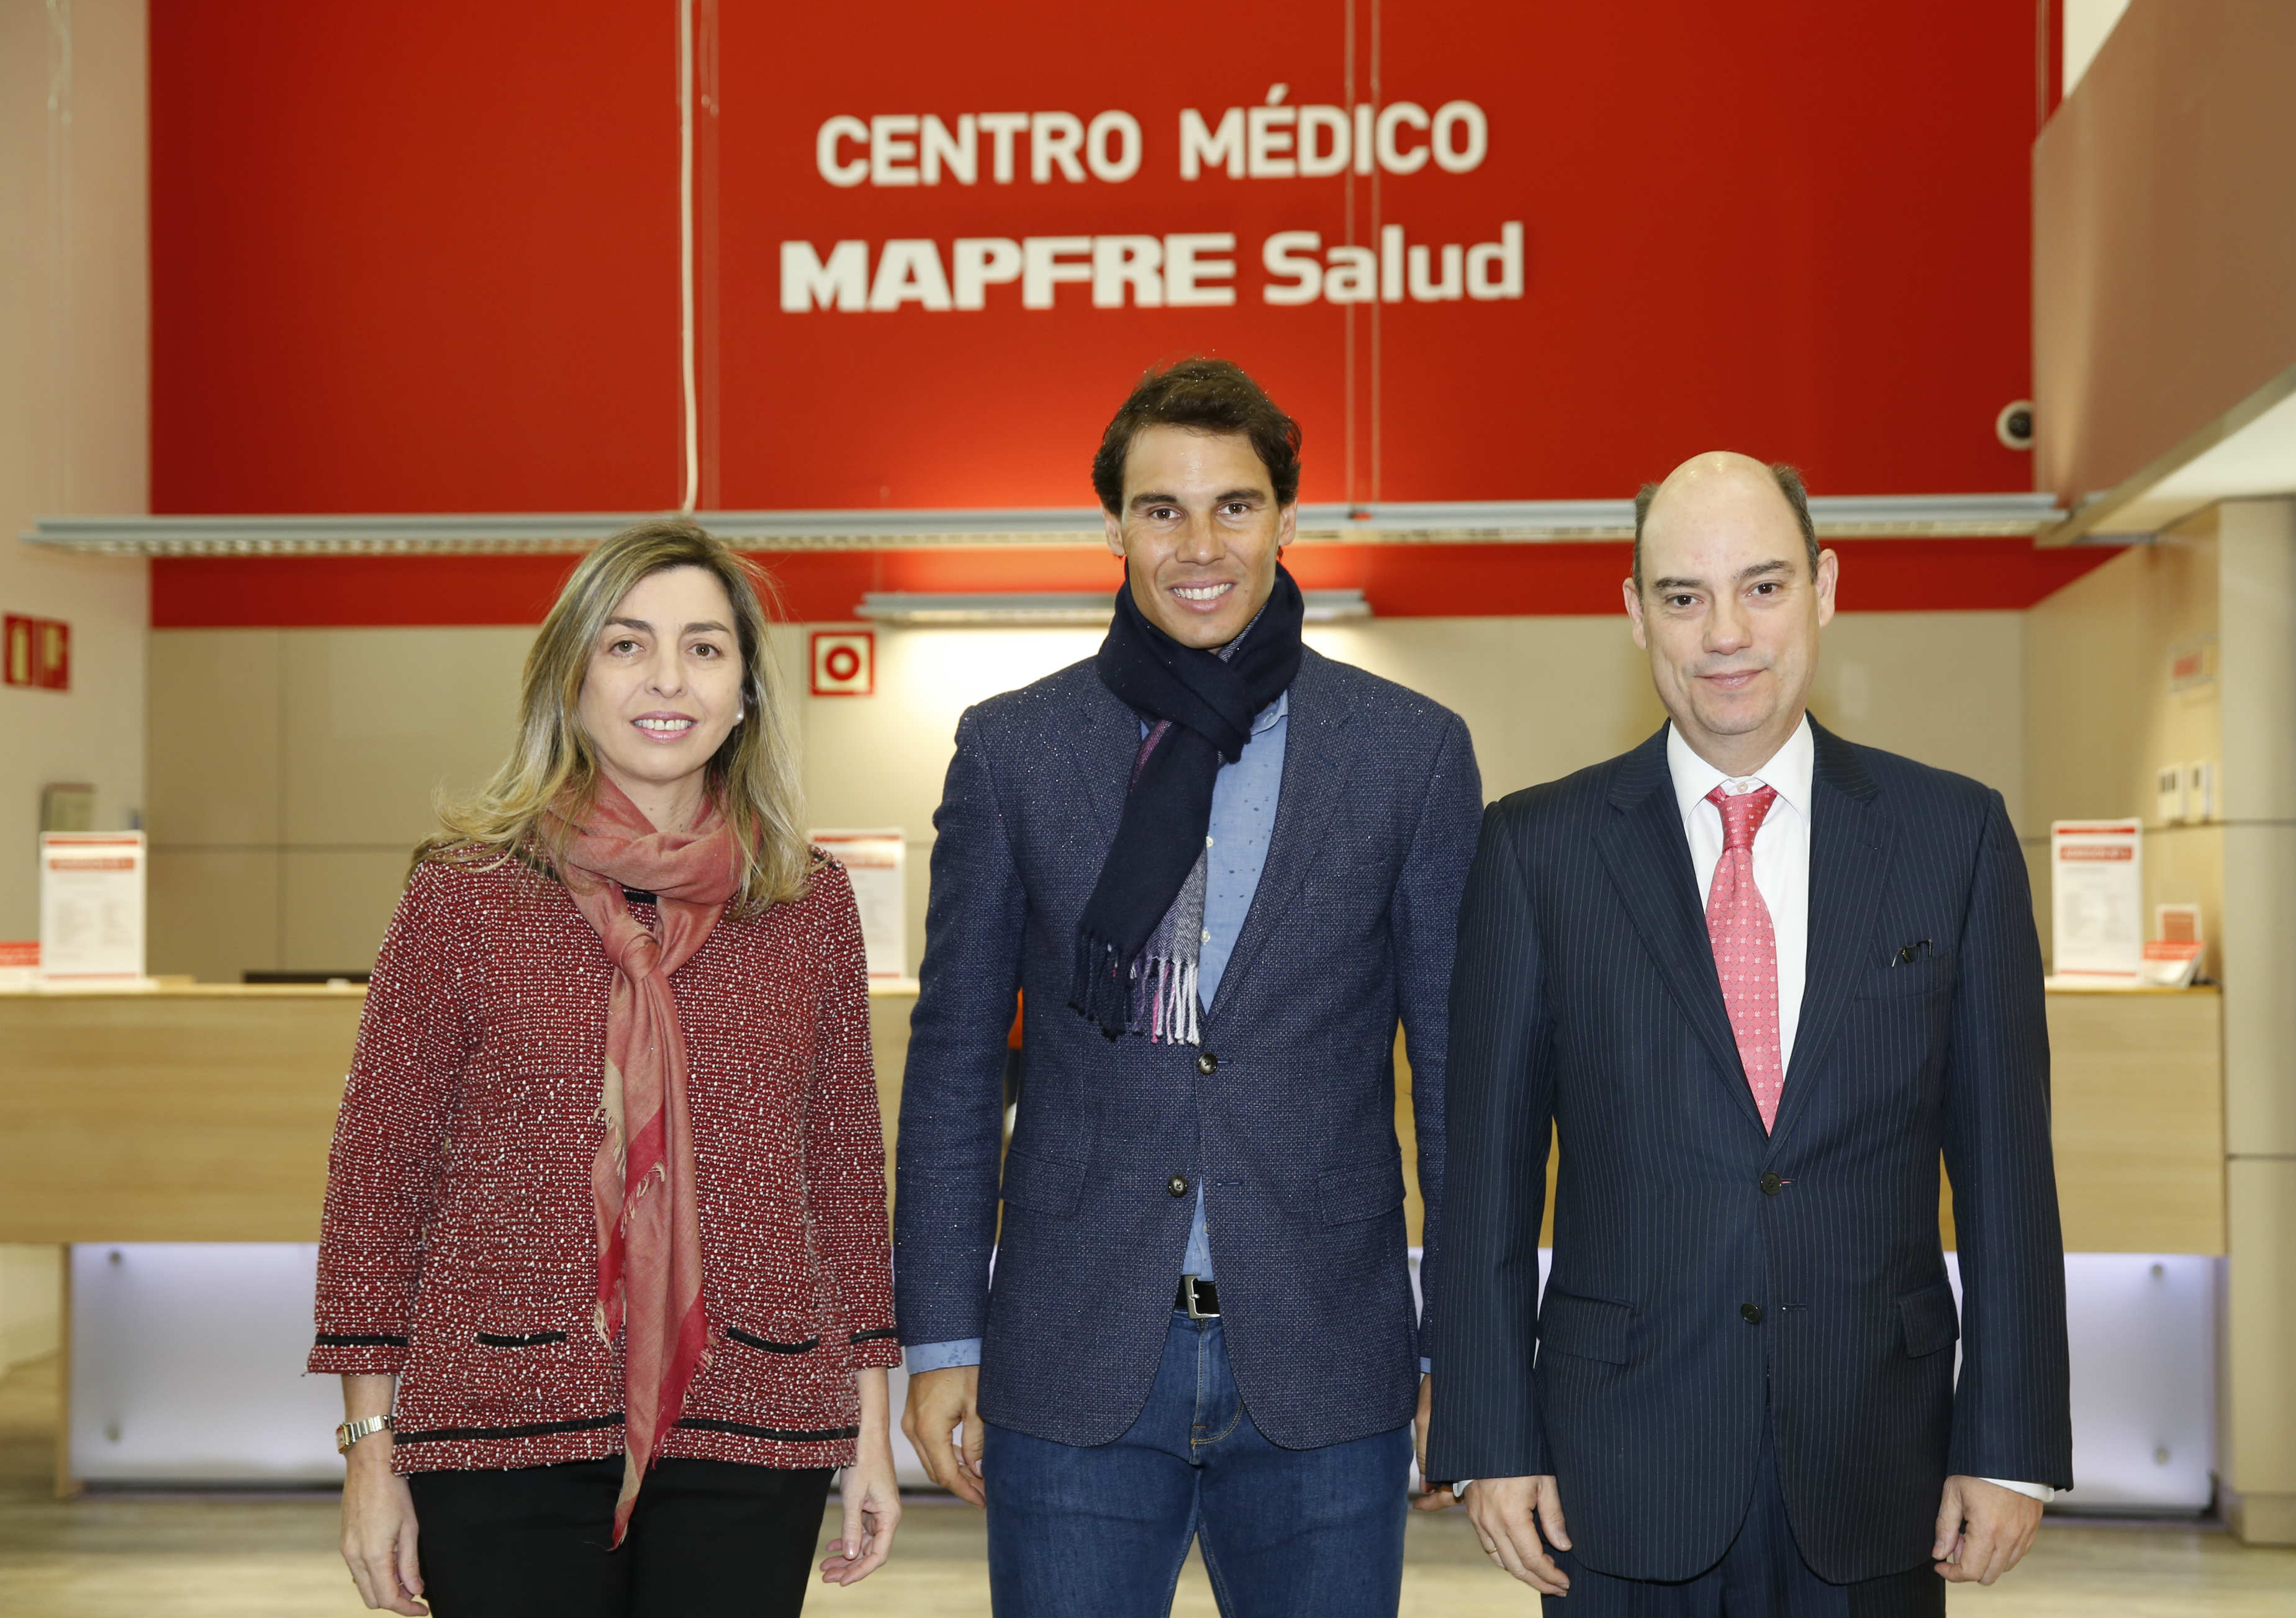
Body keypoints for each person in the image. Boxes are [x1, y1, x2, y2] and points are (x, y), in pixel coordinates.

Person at [1427, 454, 2071, 1616]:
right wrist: (1489, 1434)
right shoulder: (1535, 851)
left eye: (1763, 587)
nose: (1725, 633)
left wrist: (2011, 1442)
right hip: (1616, 1469)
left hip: (1878, 1464)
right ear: (1636, 614)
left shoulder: (1955, 837)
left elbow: (2008, 1171)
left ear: (1825, 589)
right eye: (1684, 596)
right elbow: (1484, 1180)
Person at [895, 356, 1482, 1617]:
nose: (1199, 545)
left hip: (1328, 1357)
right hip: (1072, 1353)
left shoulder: (1410, 754)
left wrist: (1465, 1352)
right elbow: (952, 1062)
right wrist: (942, 1338)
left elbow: (1454, 1079)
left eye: (1234, 505)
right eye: (1161, 509)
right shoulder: (1011, 749)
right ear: (1113, 528)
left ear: (1285, 519)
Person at [308, 520, 902, 1618]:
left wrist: (868, 1428)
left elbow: (843, 1180)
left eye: (704, 648)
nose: (667, 678)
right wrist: (369, 1449)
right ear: (570, 680)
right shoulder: (464, 896)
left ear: (744, 694)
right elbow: (377, 1183)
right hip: (500, 1423)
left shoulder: (807, 903)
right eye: (627, 645)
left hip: (754, 1416)